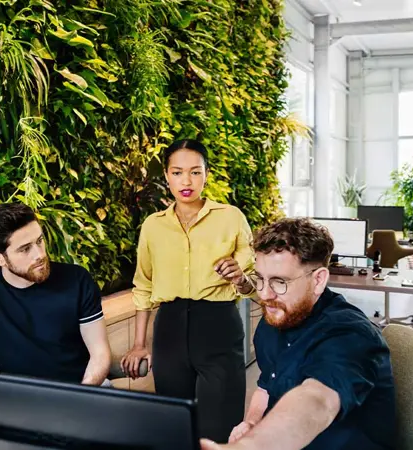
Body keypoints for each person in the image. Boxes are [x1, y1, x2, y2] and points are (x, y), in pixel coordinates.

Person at [201, 218, 396, 450]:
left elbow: (316, 400)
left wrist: (250, 447)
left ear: (318, 280)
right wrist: (251, 423)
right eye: (260, 279)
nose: (264, 295)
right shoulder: (274, 320)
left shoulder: (350, 334)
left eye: (279, 282)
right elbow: (266, 385)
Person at [120, 139, 256, 443]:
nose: (186, 181)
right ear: (167, 176)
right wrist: (140, 343)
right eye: (178, 172)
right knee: (175, 426)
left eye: (195, 172)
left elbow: (253, 283)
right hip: (169, 330)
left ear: (206, 174)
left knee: (219, 429)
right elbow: (143, 285)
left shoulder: (230, 217)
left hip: (218, 327)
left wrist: (240, 278)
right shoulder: (153, 226)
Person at [0, 202, 111, 386]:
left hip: (83, 389)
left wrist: (80, 397)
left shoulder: (77, 280)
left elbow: (100, 354)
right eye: (25, 249)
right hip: (19, 401)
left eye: (39, 241)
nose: (39, 254)